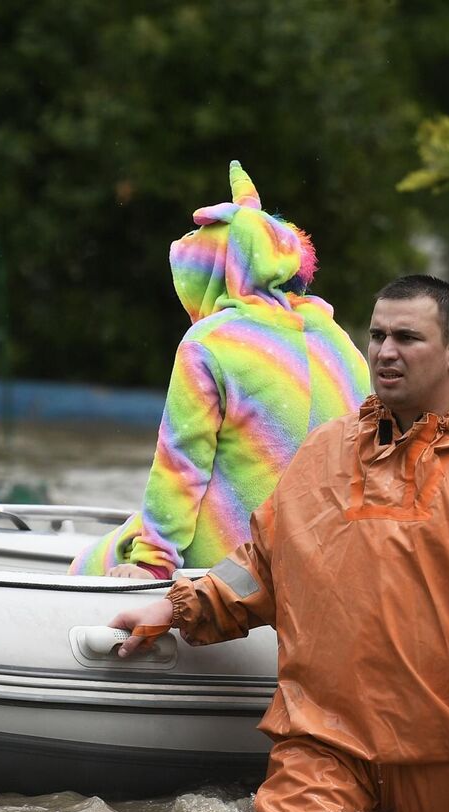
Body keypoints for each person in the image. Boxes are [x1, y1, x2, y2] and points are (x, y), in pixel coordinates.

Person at [107, 274, 449, 812]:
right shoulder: (326, 449)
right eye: (376, 336)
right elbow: (263, 565)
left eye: (407, 337)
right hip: (318, 741)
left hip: (445, 751)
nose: (385, 352)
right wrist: (176, 606)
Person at [71, 161, 370, 579]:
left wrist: (152, 563)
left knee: (88, 563)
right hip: (326, 565)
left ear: (215, 274)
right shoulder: (340, 343)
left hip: (233, 569)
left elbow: (181, 466)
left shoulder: (210, 342)